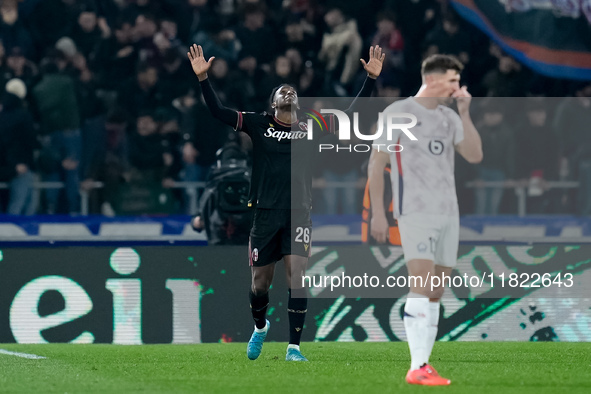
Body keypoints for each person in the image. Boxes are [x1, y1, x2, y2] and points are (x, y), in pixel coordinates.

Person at [188, 43, 384, 361]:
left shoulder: (313, 125)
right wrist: (203, 80)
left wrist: (370, 81)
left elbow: (350, 117)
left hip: (298, 212)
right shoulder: (258, 123)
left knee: (298, 275)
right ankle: (261, 327)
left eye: (292, 90)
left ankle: (294, 347)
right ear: (274, 103)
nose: (288, 92)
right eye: (283, 90)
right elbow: (218, 113)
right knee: (260, 284)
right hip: (264, 212)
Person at [368, 54, 482, 385]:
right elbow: (377, 164)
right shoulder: (399, 113)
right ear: (431, 80)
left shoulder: (449, 118)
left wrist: (464, 112)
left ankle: (424, 364)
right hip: (413, 210)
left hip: (449, 212)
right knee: (421, 283)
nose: (456, 87)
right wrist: (379, 212)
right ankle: (417, 366)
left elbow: (474, 155)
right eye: (451, 80)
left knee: (435, 290)